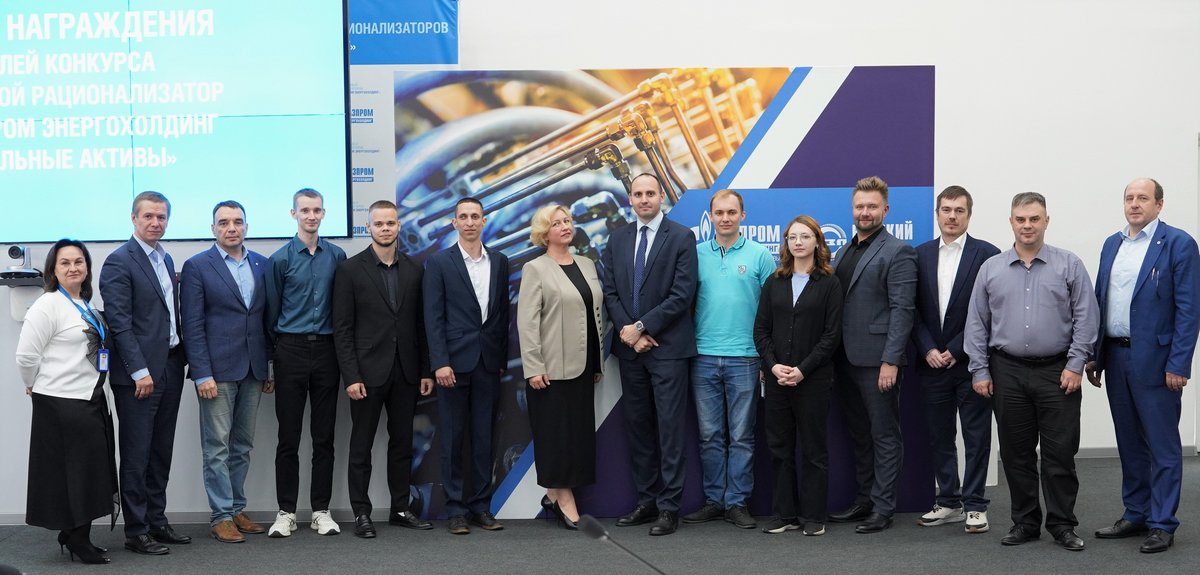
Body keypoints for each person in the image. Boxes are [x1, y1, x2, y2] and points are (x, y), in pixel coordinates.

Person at [964, 192, 1099, 551]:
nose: (1027, 225)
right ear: (1011, 222)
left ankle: (1062, 525)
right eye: (1021, 219)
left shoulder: (1069, 265)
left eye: (1034, 219)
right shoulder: (991, 268)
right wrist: (979, 371)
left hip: (1058, 372)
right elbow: (976, 323)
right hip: (1006, 371)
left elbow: (1087, 318)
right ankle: (1024, 523)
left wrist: (1075, 365)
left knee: (1059, 454)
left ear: (1046, 221)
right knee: (1016, 453)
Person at [1086, 178, 1200, 554]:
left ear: (1159, 204)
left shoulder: (1179, 243)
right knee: (1130, 442)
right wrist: (1095, 354)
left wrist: (1179, 362)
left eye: (1143, 198)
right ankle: (1136, 513)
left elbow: (1189, 309)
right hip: (1116, 356)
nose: (1134, 204)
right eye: (1129, 198)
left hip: (1158, 361)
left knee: (1163, 446)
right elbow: (1101, 301)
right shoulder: (1112, 243)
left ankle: (1162, 523)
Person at [600, 172, 698, 537]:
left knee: (670, 430)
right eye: (638, 194)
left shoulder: (682, 237)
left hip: (668, 350)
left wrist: (641, 327)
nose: (644, 199)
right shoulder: (618, 238)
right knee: (639, 429)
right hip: (631, 352)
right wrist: (630, 334)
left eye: (650, 193)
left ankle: (669, 508)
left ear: (660, 198)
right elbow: (610, 292)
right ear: (630, 199)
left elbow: (682, 294)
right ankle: (647, 501)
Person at [333, 200, 435, 538]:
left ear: (399, 225)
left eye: (390, 223)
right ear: (369, 228)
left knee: (402, 444)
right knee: (361, 446)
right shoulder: (349, 270)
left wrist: (425, 370)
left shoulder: (415, 269)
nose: (385, 228)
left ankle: (400, 509)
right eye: (379, 224)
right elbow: (342, 329)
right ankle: (361, 513)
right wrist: (351, 376)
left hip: (406, 372)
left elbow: (421, 326)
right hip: (366, 374)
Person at [16, 239, 118, 565]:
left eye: (79, 261)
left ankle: (73, 534)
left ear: (87, 266)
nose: (73, 268)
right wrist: (31, 383)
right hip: (61, 402)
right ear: (53, 269)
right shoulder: (47, 305)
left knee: (88, 471)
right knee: (73, 473)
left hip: (90, 398)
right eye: (65, 263)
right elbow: (26, 356)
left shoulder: (85, 302)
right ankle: (78, 539)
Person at [100, 191, 190, 555]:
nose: (156, 222)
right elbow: (120, 324)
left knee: (160, 452)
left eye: (161, 217)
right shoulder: (119, 261)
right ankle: (136, 531)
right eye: (149, 216)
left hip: (170, 365)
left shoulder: (164, 258)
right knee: (136, 456)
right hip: (139, 377)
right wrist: (139, 371)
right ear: (134, 218)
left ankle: (156, 521)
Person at [828, 176, 917, 534]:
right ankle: (864, 500)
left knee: (884, 435)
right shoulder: (844, 251)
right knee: (860, 435)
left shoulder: (898, 251)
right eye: (859, 206)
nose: (865, 212)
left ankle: (883, 508)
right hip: (845, 360)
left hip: (878, 362)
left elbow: (903, 310)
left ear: (886, 210)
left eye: (872, 206)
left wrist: (891, 361)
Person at [180, 201, 273, 543]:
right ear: (213, 229)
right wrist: (201, 373)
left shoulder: (262, 264)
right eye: (223, 222)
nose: (231, 228)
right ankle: (220, 516)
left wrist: (269, 367)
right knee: (217, 446)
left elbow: (265, 320)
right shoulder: (197, 266)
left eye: (237, 221)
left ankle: (235, 509)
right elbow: (192, 324)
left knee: (242, 444)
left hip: (253, 368)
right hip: (216, 372)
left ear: (246, 226)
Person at [682, 189, 774, 530]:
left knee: (742, 437)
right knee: (709, 436)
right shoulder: (695, 254)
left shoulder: (760, 255)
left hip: (746, 359)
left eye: (731, 212)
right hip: (703, 356)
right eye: (719, 212)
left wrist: (766, 359)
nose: (725, 218)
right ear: (711, 216)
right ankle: (714, 501)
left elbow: (773, 309)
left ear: (742, 216)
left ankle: (737, 502)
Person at [911, 186, 1000, 533]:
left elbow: (992, 311)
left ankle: (975, 505)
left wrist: (958, 348)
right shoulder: (919, 255)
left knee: (976, 437)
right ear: (937, 214)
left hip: (972, 364)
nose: (952, 216)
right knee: (940, 436)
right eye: (946, 210)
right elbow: (912, 310)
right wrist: (927, 349)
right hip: (931, 363)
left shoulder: (988, 255)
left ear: (969, 215)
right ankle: (948, 501)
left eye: (959, 210)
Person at [423, 197, 511, 535]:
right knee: (453, 438)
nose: (470, 222)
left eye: (475, 216)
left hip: (488, 363)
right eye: (464, 216)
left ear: (484, 221)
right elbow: (433, 317)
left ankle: (480, 507)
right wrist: (440, 362)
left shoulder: (499, 261)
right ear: (454, 222)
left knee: (483, 437)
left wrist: (499, 359)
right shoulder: (439, 262)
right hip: (453, 366)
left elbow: (501, 314)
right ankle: (456, 510)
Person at [754, 216, 843, 537]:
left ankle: (814, 516)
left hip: (814, 380)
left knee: (814, 450)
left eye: (805, 236)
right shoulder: (774, 282)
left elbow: (831, 336)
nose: (798, 242)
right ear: (786, 244)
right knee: (779, 449)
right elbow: (761, 331)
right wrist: (773, 366)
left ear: (817, 241)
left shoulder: (830, 283)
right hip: (777, 380)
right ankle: (785, 514)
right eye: (792, 237)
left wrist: (803, 369)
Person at [265, 188, 347, 537]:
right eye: (305, 210)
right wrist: (272, 362)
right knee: (288, 437)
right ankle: (286, 512)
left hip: (327, 351)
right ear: (293, 214)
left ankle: (320, 511)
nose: (311, 216)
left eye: (316, 210)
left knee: (324, 437)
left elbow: (343, 309)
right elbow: (271, 313)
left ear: (324, 213)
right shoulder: (279, 259)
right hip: (290, 350)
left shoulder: (337, 256)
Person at [517, 204, 604, 530]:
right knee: (555, 437)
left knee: (577, 436)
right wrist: (533, 366)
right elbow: (527, 322)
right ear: (544, 233)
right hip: (549, 370)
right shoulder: (535, 269)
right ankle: (565, 500)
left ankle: (553, 494)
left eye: (567, 221)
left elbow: (593, 313)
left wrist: (596, 361)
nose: (565, 226)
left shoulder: (586, 264)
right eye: (556, 223)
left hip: (583, 367)